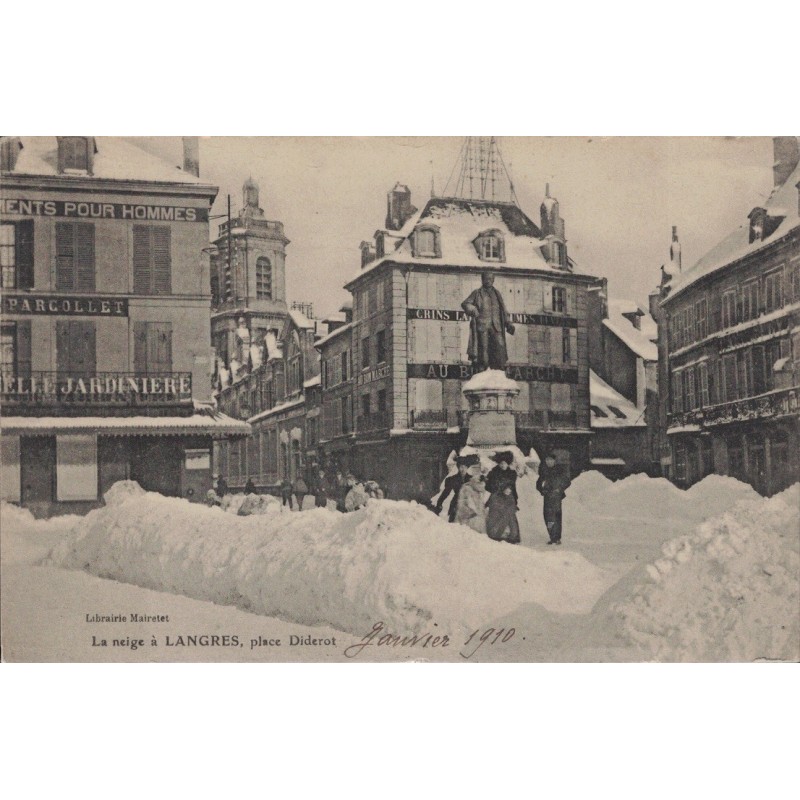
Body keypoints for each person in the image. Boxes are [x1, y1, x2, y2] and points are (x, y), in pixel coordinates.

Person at [461, 271, 515, 371]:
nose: (488, 281)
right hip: (482, 327)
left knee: (500, 349)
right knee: (483, 352)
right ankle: (482, 371)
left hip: (496, 327)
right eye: (486, 278)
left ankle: (498, 373)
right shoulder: (477, 293)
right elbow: (465, 304)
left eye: (490, 279)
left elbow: (503, 310)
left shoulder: (497, 294)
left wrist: (508, 323)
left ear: (493, 280)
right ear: (482, 280)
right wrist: (472, 308)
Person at [536, 452, 572, 545]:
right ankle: (552, 536)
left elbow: (567, 481)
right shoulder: (544, 471)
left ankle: (557, 537)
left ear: (554, 461)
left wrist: (559, 489)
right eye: (547, 460)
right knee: (548, 517)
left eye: (551, 460)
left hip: (556, 497)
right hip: (547, 497)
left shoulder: (560, 471)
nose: (549, 462)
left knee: (556, 516)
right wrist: (542, 490)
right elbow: (538, 483)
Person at [434, 457, 470, 522]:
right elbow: (446, 493)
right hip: (456, 504)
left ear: (467, 468)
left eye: (465, 467)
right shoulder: (453, 479)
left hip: (468, 504)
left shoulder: (471, 479)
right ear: (458, 468)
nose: (463, 469)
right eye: (461, 467)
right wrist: (439, 503)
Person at [454, 465, 486, 533]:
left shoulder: (481, 491)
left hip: (479, 521)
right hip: (467, 520)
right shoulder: (466, 489)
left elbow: (482, 507)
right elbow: (461, 505)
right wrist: (472, 513)